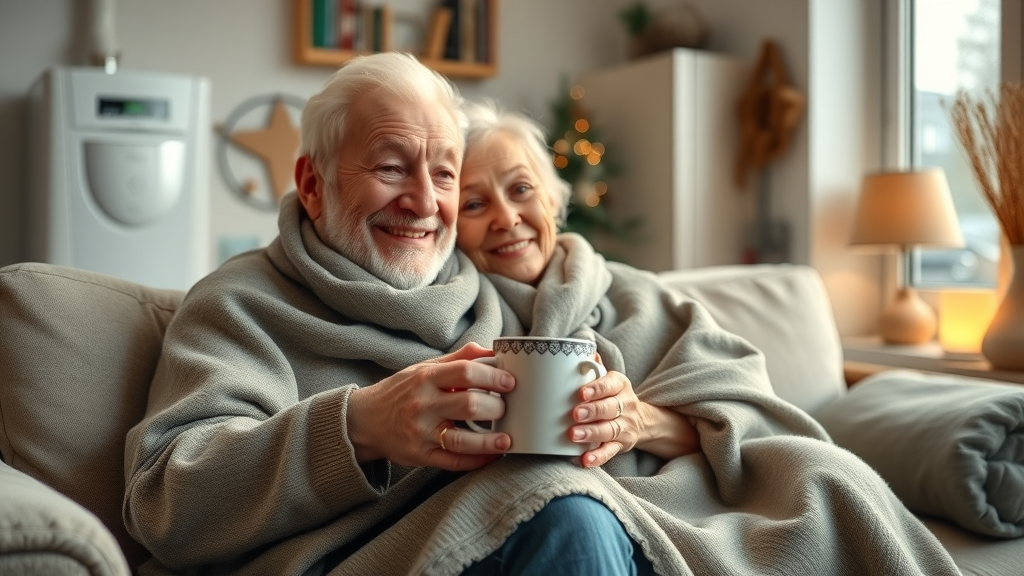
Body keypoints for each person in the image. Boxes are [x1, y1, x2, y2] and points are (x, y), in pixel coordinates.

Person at [123, 52, 653, 576]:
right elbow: (164, 502)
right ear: (311, 185)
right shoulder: (239, 304)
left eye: (445, 175)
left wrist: (626, 420)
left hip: (533, 537)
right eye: (391, 168)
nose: (424, 202)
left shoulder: (499, 296)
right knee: (571, 518)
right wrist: (359, 427)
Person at [453, 98, 964, 575]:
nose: (506, 217)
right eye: (474, 205)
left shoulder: (639, 296)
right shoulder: (452, 318)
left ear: (553, 200)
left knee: (825, 471)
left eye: (521, 189)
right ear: (450, 226)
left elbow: (750, 412)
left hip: (690, 495)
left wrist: (643, 422)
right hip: (579, 510)